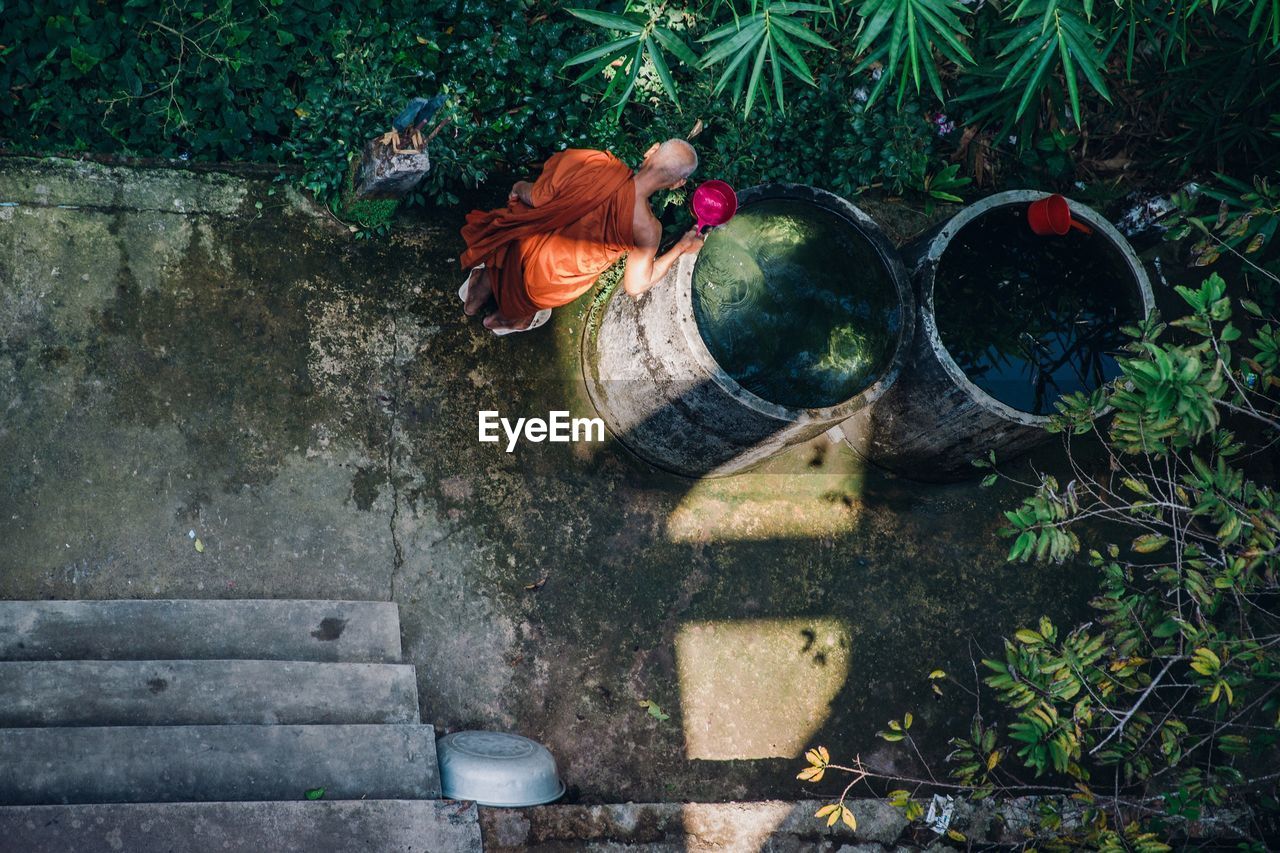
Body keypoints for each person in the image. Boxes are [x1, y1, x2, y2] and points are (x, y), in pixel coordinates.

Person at [458, 140, 704, 334]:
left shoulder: (598, 164)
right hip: (549, 279)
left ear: (652, 150)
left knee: (516, 229)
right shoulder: (648, 229)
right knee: (532, 295)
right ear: (678, 184)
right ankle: (499, 320)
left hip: (522, 243)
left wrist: (519, 186)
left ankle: (474, 299)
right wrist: (682, 246)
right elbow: (636, 285)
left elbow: (538, 197)